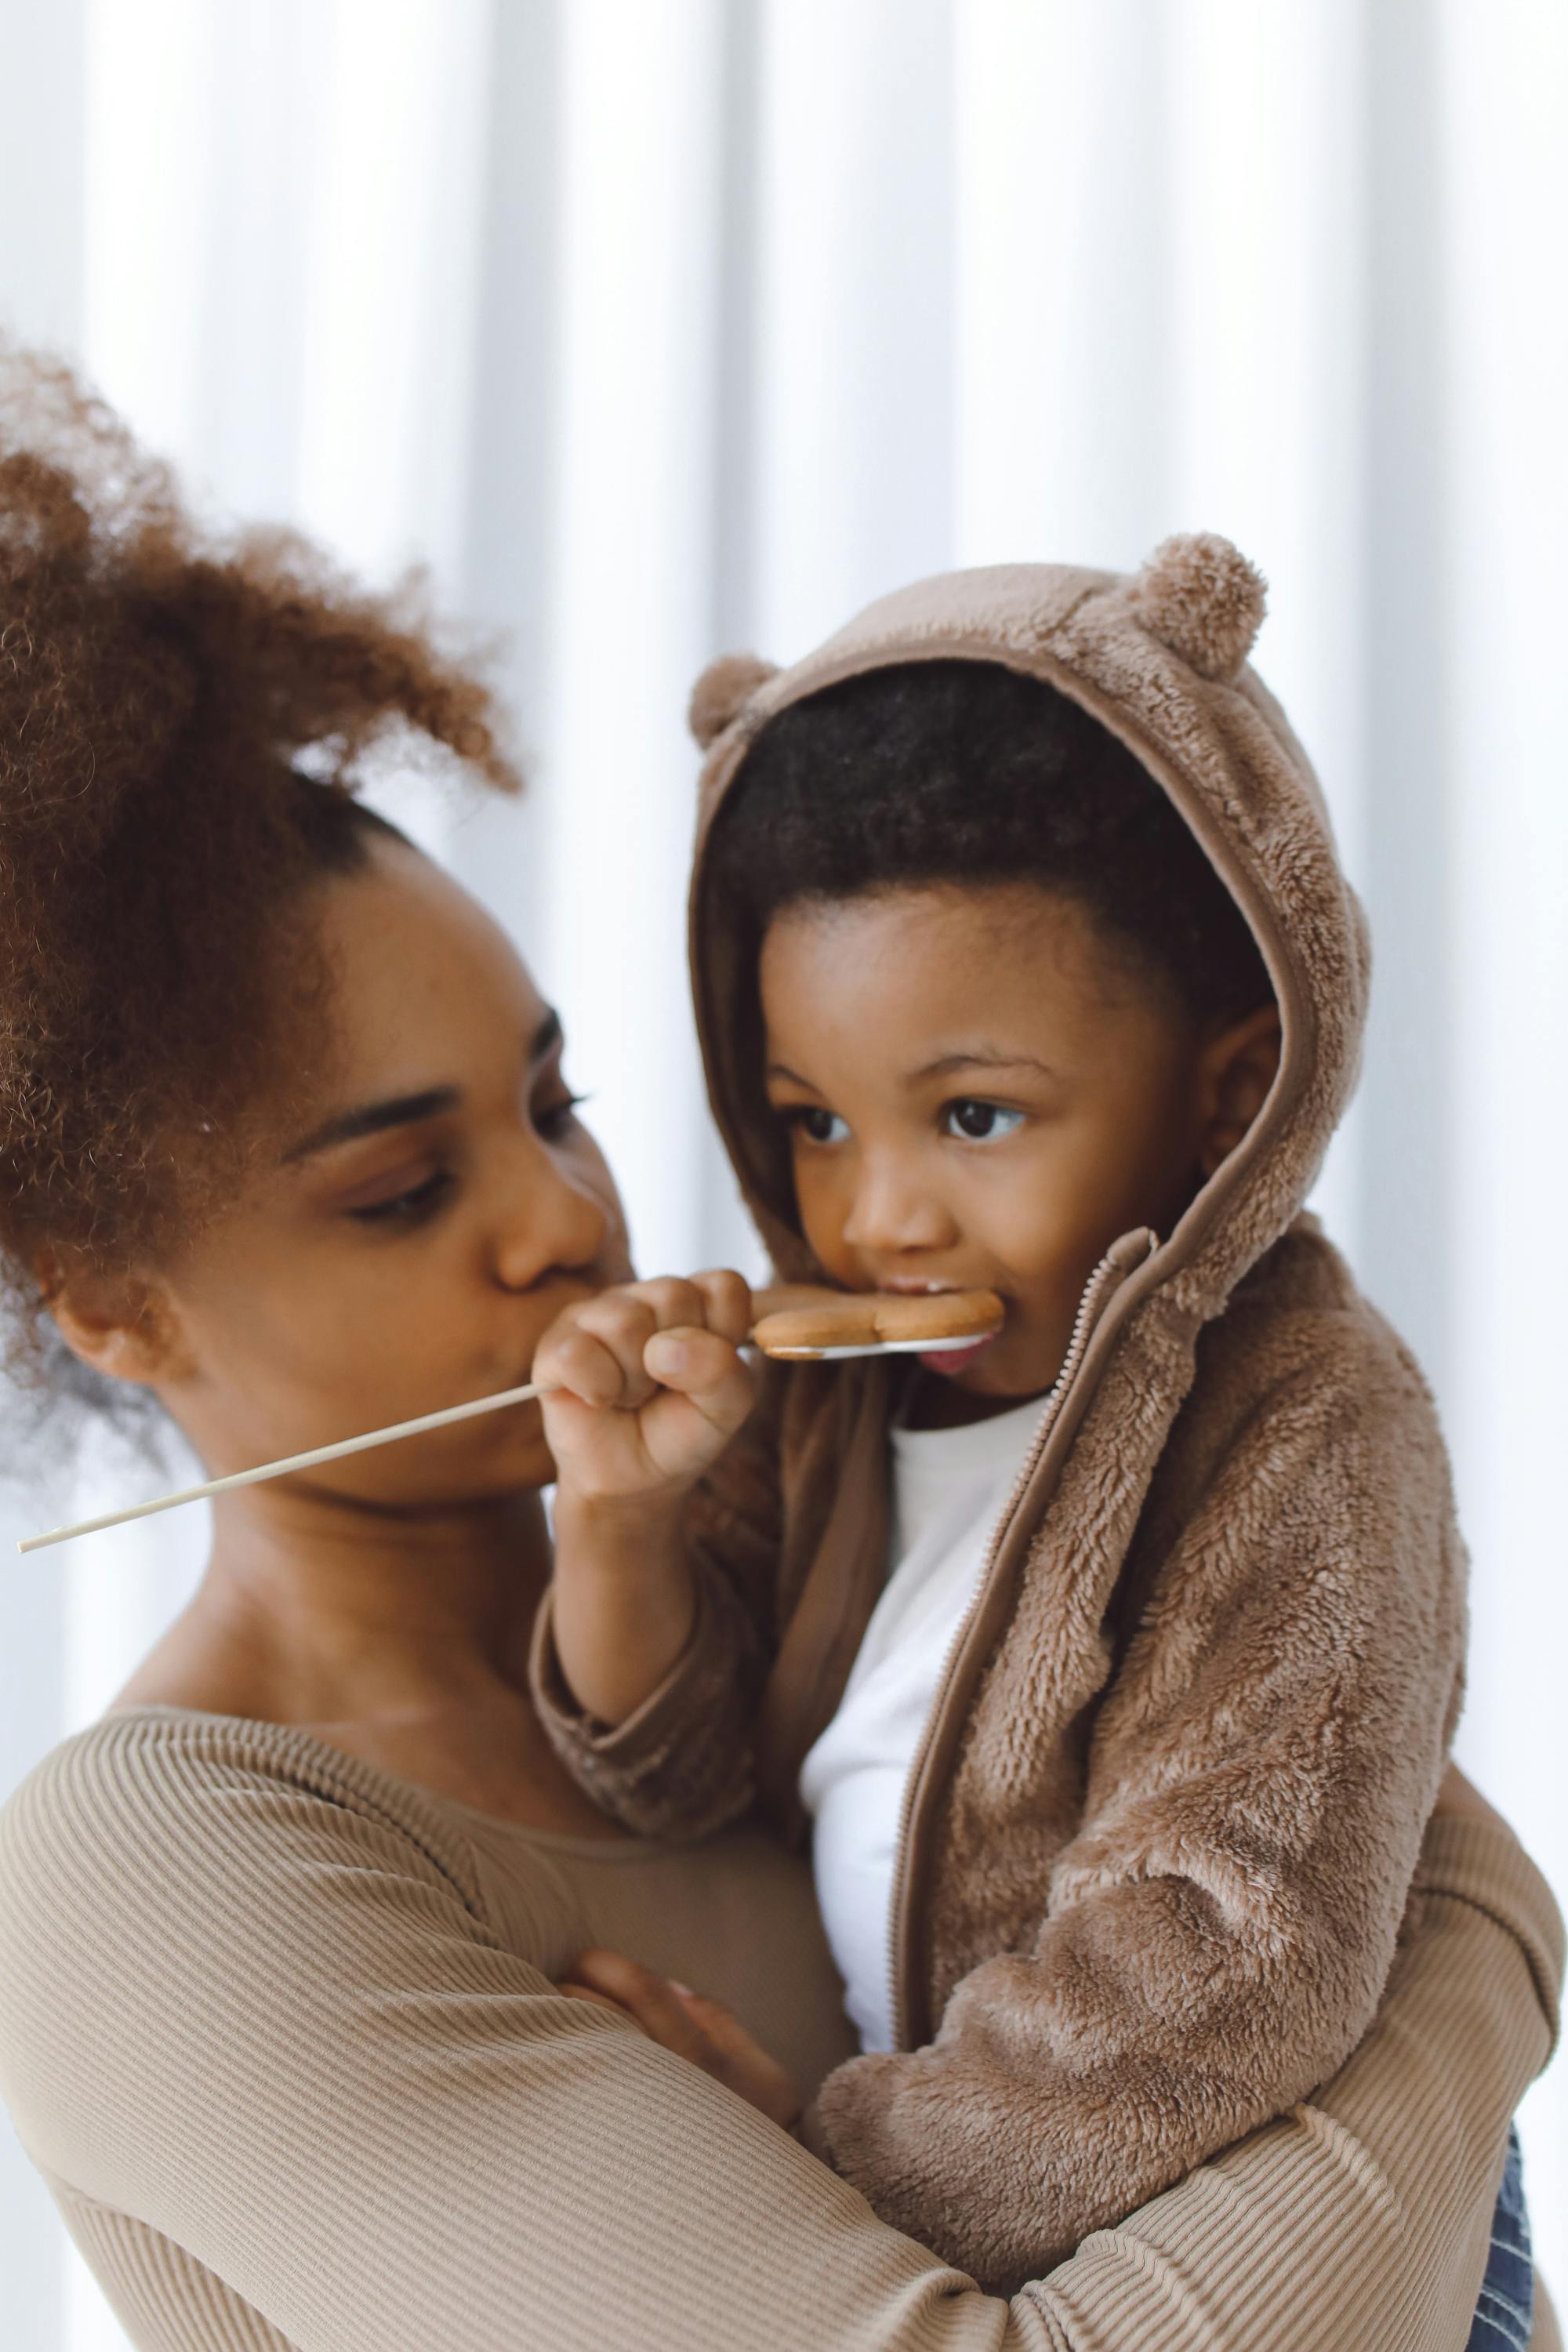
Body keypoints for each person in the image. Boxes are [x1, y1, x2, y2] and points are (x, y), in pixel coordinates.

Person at [0, 356, 1559, 2352]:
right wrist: (1475, 1942)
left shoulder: (799, 1546)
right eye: (401, 1188)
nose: (567, 1219)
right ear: (110, 1298)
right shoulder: (163, 1883)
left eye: (554, 1105)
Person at [530, 543, 1558, 2329]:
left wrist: (831, 2179)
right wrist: (620, 1524)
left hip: (1280, 2217)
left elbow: (1226, 1958)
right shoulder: (834, 1394)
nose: (880, 1221)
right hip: (977, 2198)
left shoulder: (1300, 1413)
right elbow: (678, 1771)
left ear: (1225, 1091)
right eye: (816, 1125)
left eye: (975, 1115)